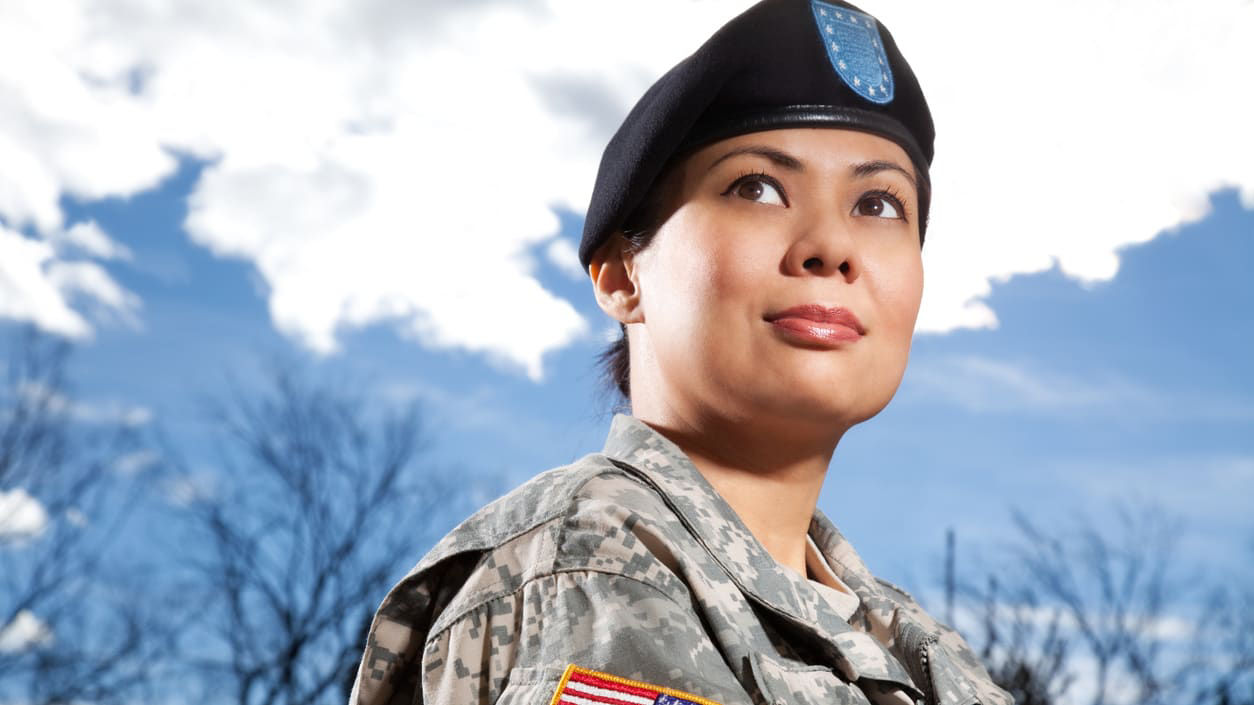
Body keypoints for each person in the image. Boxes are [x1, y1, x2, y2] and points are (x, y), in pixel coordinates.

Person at [349, 0, 1014, 703]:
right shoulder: (595, 561)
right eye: (757, 187)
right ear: (621, 274)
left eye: (878, 203)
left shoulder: (918, 648)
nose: (832, 246)